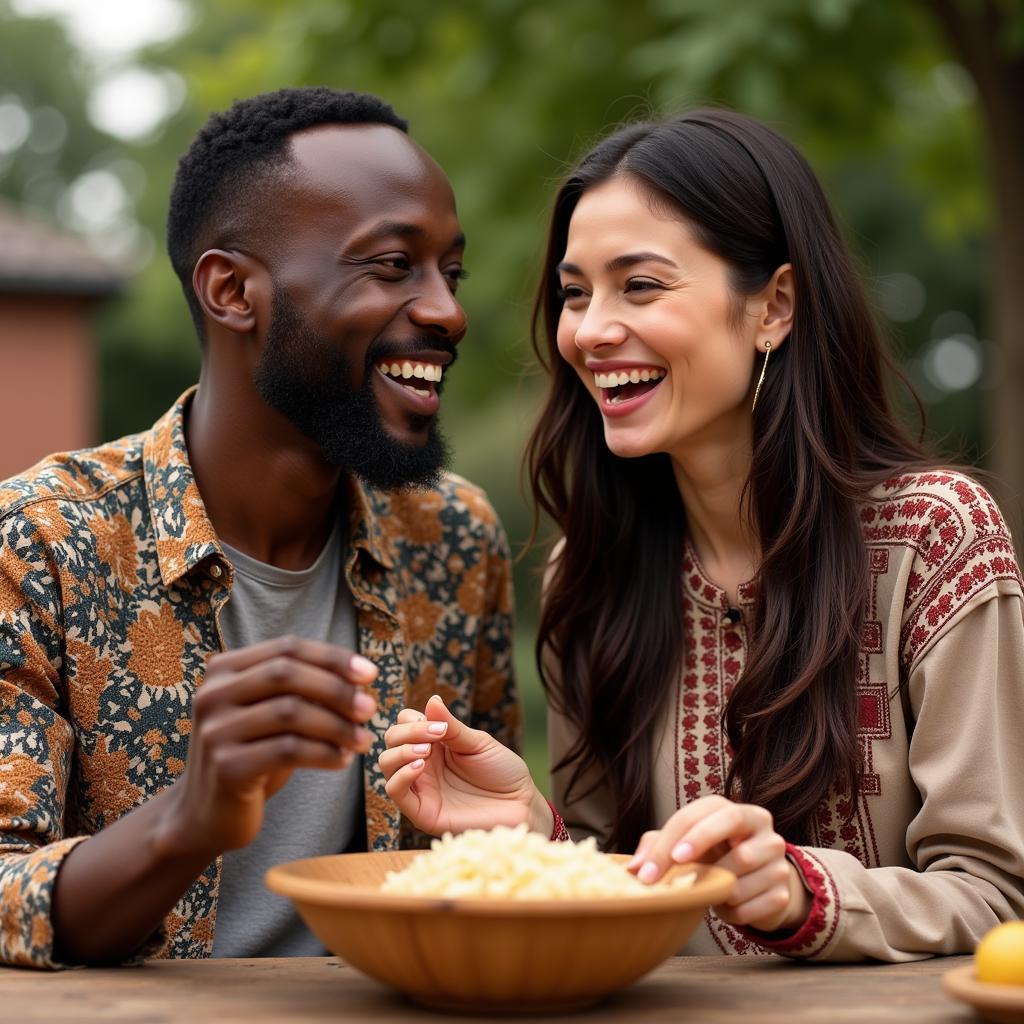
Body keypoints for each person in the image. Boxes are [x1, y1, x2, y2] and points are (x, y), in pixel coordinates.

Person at [380, 109, 1024, 961]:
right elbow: (613, 883)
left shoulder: (934, 539)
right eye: (575, 293)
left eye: (640, 285)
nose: (592, 330)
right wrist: (529, 828)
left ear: (773, 309)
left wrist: (802, 891)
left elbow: (998, 896)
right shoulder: (591, 569)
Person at [0, 86, 518, 969]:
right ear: (234, 290)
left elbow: (501, 862)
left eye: (450, 273)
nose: (448, 311)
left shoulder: (455, 539)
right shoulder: (41, 544)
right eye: (394, 265)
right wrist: (189, 818)